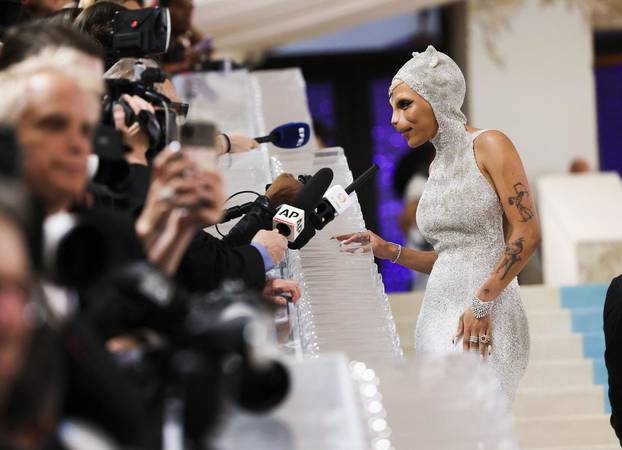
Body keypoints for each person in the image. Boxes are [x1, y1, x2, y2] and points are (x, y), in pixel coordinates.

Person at [337, 46, 541, 403]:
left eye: (404, 104)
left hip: (484, 311)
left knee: (477, 423)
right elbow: (450, 259)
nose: (394, 120)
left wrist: (481, 304)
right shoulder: (434, 167)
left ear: (438, 97)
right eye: (392, 108)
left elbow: (527, 233)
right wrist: (389, 250)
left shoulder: (490, 144)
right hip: (436, 313)